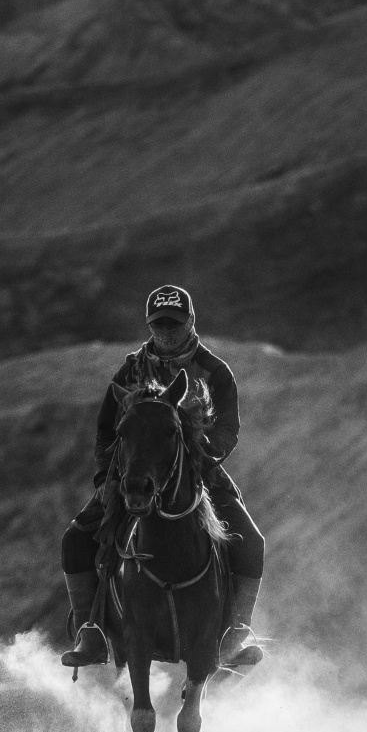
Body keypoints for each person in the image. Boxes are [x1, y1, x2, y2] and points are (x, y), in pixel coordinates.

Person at [60, 283, 265, 671]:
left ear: (190, 322)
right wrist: (108, 476)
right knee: (75, 540)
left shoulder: (216, 372)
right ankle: (91, 631)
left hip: (198, 473)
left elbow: (229, 431)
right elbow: (107, 430)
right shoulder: (130, 369)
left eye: (174, 324)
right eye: (159, 325)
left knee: (251, 541)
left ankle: (235, 634)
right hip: (135, 474)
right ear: (150, 325)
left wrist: (198, 459)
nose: (166, 332)